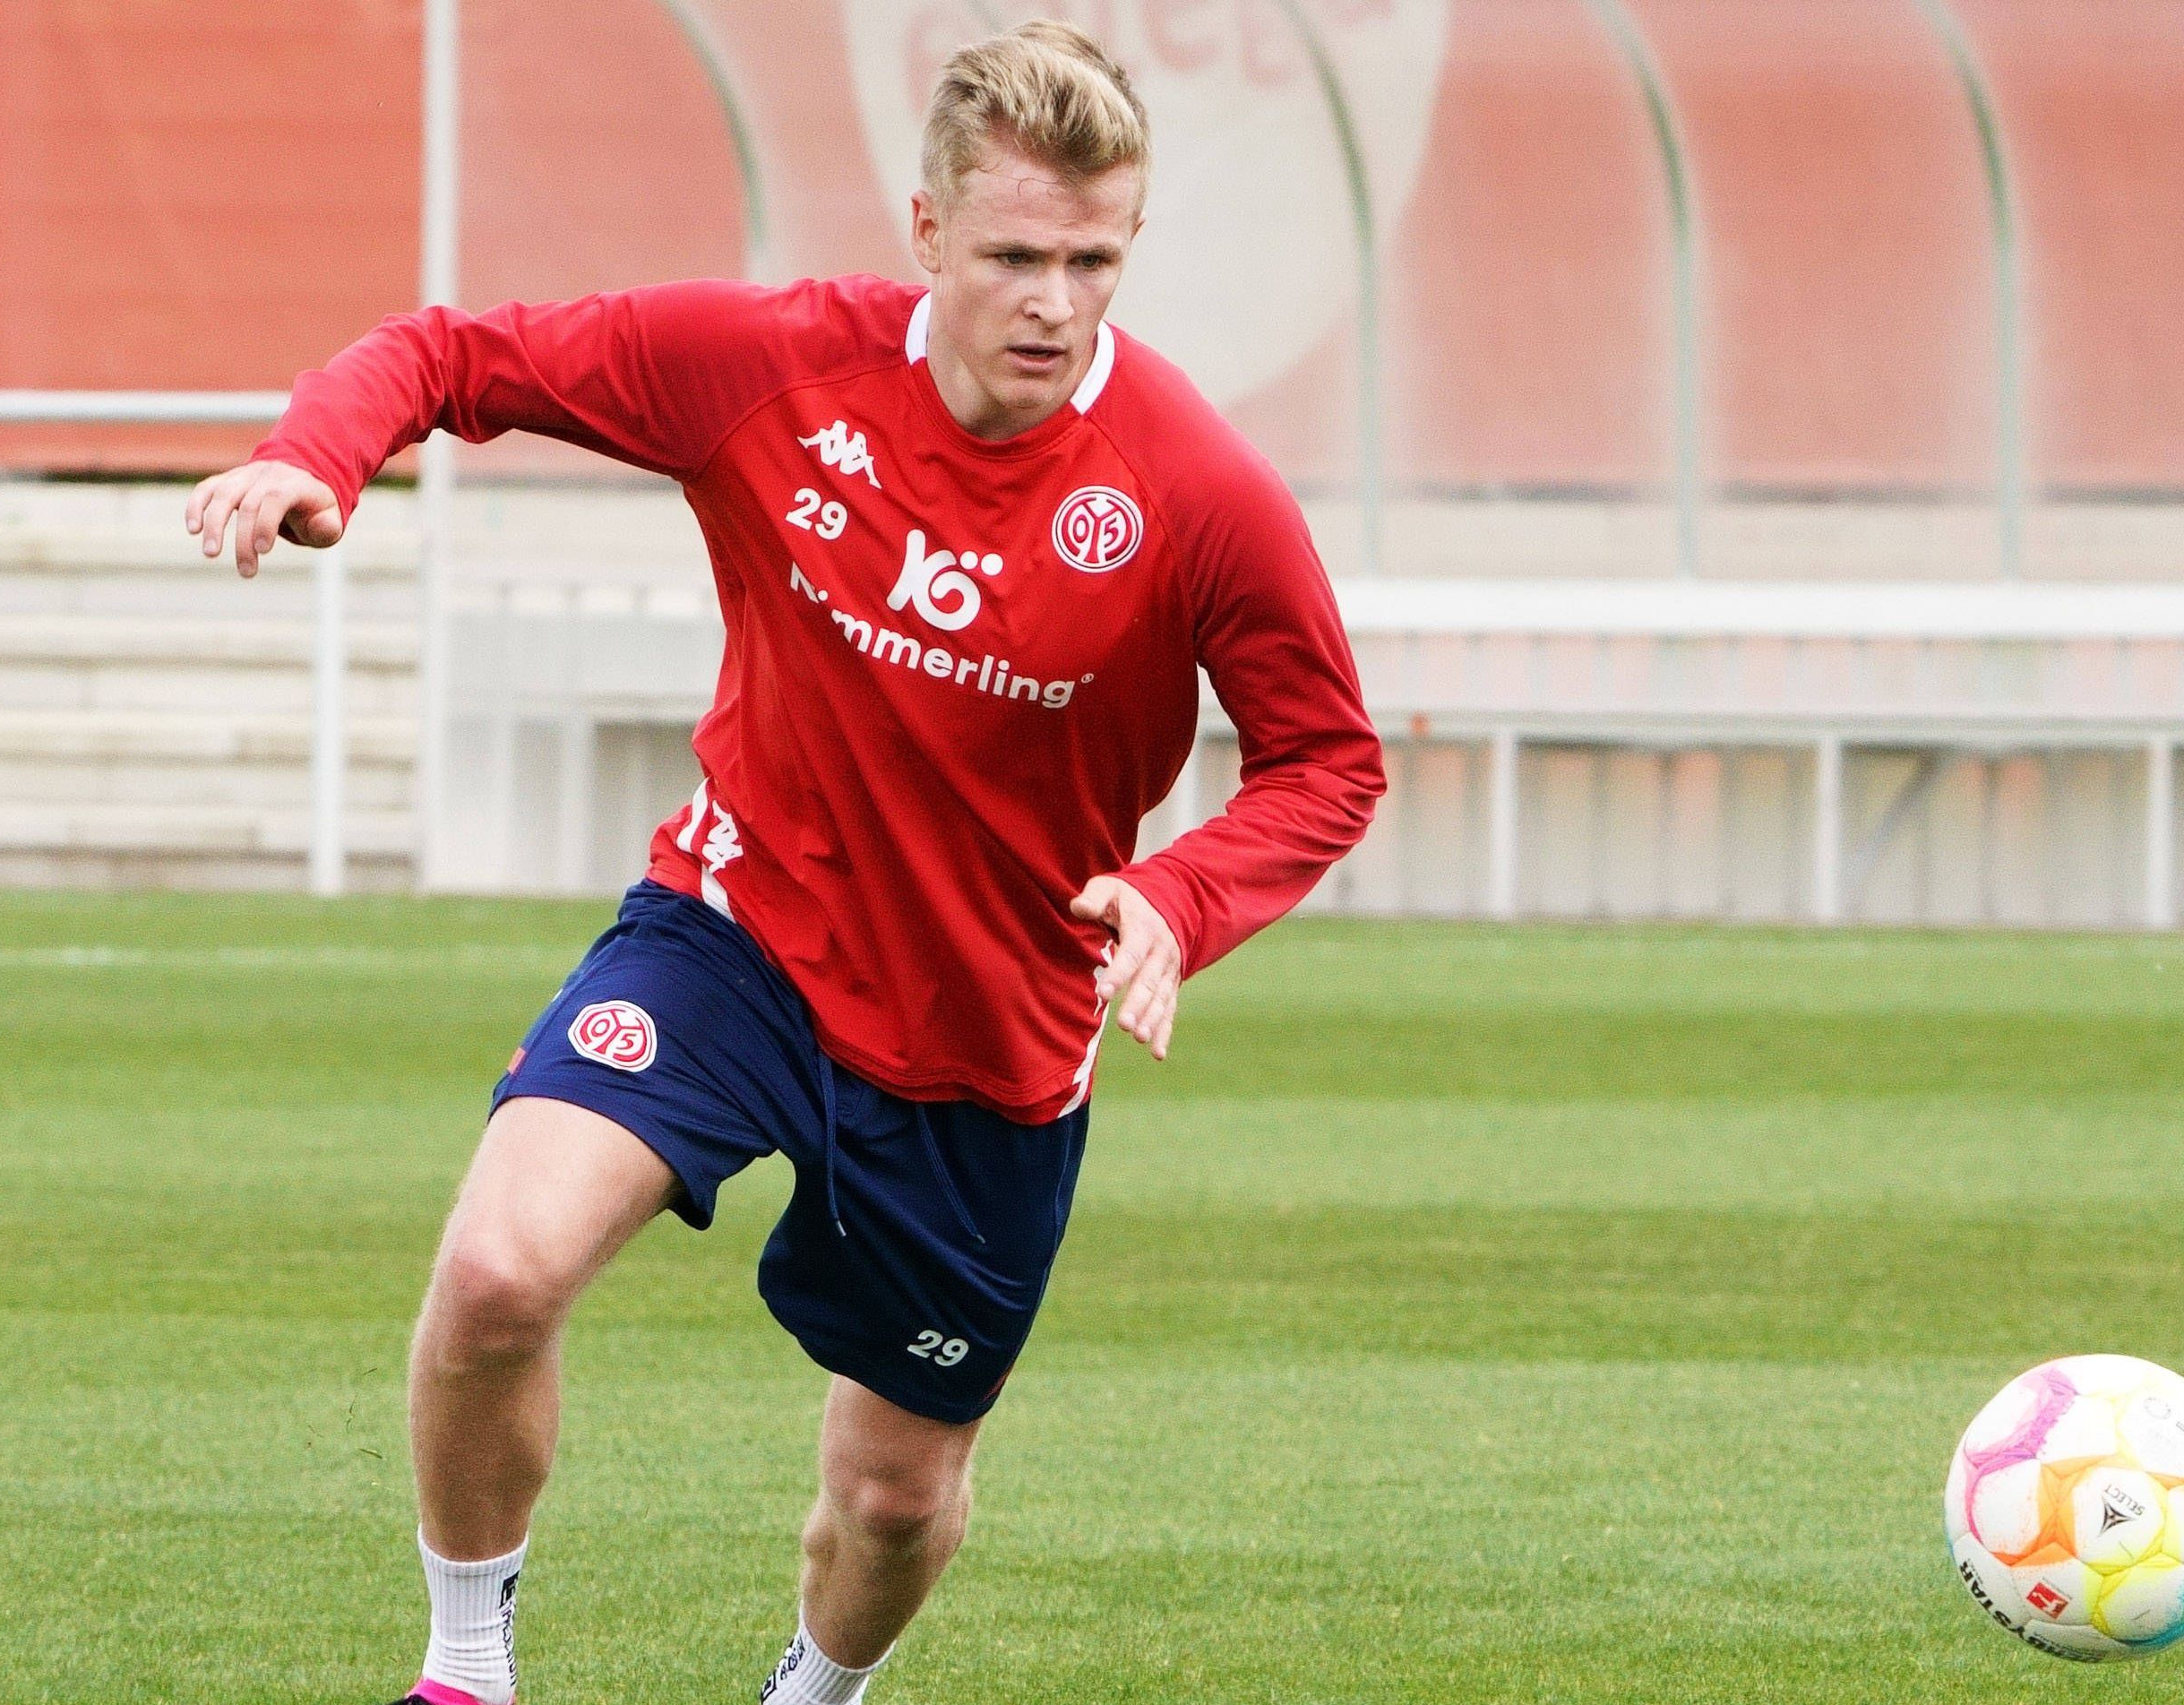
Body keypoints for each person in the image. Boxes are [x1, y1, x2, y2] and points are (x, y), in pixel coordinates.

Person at [186, 22, 1382, 1704]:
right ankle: (465, 1674)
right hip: (735, 934)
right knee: (495, 1271)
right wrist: (317, 452)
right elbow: (458, 354)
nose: (1054, 301)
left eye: (1094, 261)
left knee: (894, 1501)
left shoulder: (1194, 491)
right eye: (1016, 255)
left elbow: (1330, 758)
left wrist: (1180, 899)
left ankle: (812, 1696)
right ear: (927, 234)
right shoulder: (773, 367)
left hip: (986, 1037)